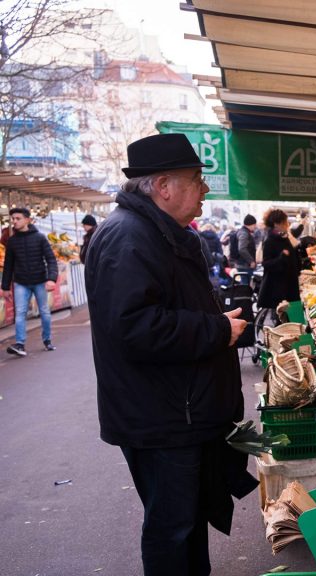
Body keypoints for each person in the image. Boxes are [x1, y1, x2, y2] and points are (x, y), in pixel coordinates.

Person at [83, 133, 255, 576]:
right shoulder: (129, 238)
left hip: (178, 410)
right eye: (196, 180)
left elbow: (163, 307)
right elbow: (134, 328)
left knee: (187, 520)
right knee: (173, 527)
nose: (204, 190)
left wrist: (216, 316)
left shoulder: (156, 233)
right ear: (163, 186)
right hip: (162, 416)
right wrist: (216, 329)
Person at [1, 207, 58, 356]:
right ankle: (20, 345)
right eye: (12, 219)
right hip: (21, 282)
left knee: (44, 311)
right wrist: (5, 287)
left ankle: (47, 340)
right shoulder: (12, 242)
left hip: (40, 280)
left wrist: (51, 279)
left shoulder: (40, 238)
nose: (14, 221)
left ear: (27, 219)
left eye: (17, 218)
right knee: (20, 313)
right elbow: (8, 265)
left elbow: (51, 259)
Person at [257, 209, 300, 312]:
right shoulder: (270, 241)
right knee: (285, 322)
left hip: (290, 285)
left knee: (296, 320)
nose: (287, 225)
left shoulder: (284, 237)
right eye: (285, 222)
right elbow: (266, 263)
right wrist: (282, 257)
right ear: (277, 224)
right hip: (279, 289)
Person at [233, 215, 257, 286]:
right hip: (244, 265)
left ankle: (246, 296)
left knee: (246, 284)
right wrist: (251, 261)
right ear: (251, 224)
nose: (255, 226)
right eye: (254, 224)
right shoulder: (244, 233)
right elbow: (242, 249)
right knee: (245, 286)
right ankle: (245, 297)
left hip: (243, 264)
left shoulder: (243, 232)